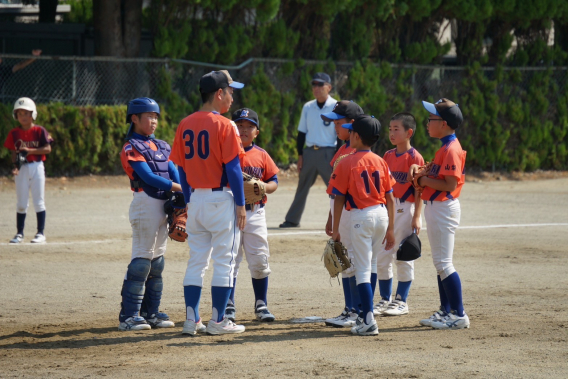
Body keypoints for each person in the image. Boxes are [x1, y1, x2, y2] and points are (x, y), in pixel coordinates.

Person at [170, 70, 247, 336]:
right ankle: (218, 321)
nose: (232, 97)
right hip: (221, 199)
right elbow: (234, 170)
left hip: (196, 200)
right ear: (218, 94)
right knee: (225, 261)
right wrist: (240, 204)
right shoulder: (225, 125)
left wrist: (190, 198)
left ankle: (191, 320)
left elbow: (180, 169)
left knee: (196, 261)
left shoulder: (185, 123)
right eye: (230, 92)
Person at [117, 97, 182, 331]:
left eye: (156, 116)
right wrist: (180, 188)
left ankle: (151, 312)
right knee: (142, 261)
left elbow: (174, 172)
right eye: (149, 116)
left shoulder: (163, 146)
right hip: (145, 202)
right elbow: (149, 177)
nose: (154, 121)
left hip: (164, 205)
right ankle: (129, 315)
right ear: (134, 118)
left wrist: (187, 188)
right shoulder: (131, 146)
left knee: (157, 263)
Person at [329, 114, 396, 336]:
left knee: (361, 270)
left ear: (356, 136)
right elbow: (390, 197)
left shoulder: (347, 161)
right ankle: (365, 315)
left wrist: (336, 228)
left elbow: (338, 197)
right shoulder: (381, 161)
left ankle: (367, 319)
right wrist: (391, 228)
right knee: (372, 265)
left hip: (361, 217)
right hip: (381, 215)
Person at [409, 98, 469, 330]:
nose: (427, 122)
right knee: (439, 263)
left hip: (444, 208)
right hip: (437, 208)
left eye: (431, 118)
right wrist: (422, 170)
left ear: (443, 124)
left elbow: (450, 184)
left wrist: (422, 179)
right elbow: (438, 174)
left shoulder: (451, 148)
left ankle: (458, 314)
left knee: (444, 263)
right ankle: (446, 311)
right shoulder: (444, 146)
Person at [225, 108, 279, 323]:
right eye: (240, 125)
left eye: (249, 126)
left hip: (255, 212)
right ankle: (228, 304)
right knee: (230, 260)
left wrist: (264, 187)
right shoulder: (226, 153)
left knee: (259, 260)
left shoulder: (262, 154)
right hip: (230, 212)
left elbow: (274, 180)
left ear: (257, 132)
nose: (244, 130)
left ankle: (261, 304)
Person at [373, 113, 424, 317]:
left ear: (408, 133)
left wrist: (417, 216)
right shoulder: (387, 156)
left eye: (397, 129)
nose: (392, 133)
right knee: (382, 255)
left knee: (403, 256)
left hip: (406, 208)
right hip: (388, 209)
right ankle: (385, 299)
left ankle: (401, 300)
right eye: (390, 129)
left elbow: (419, 190)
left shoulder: (415, 157)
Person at [320, 100, 364, 328]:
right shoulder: (343, 148)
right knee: (344, 260)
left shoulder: (357, 150)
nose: (335, 126)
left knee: (351, 261)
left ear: (352, 125)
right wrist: (331, 217)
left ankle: (356, 310)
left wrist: (338, 219)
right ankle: (350, 309)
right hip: (341, 212)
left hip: (352, 212)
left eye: (339, 122)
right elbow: (334, 188)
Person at [279, 72, 338, 228]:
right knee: (302, 186)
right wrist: (300, 155)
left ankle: (343, 218)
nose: (316, 88)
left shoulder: (336, 106)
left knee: (336, 187)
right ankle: (292, 219)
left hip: (329, 152)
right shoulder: (308, 107)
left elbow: (341, 134)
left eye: (320, 85)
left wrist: (338, 156)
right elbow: (301, 133)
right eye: (314, 85)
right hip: (310, 152)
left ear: (329, 87)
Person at [4, 97, 53, 244]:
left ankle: (40, 233)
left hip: (37, 166)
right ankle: (19, 233)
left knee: (39, 201)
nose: (23, 117)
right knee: (21, 202)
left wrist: (30, 151)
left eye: (26, 113)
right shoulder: (14, 133)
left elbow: (47, 148)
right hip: (22, 169)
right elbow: (13, 151)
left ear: (33, 114)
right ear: (16, 116)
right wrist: (15, 166)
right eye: (19, 114)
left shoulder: (39, 130)